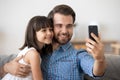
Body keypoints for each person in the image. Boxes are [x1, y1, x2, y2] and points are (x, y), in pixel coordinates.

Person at [0, 4, 106, 80]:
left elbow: (97, 71)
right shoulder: (35, 52)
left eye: (69, 26)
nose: (64, 31)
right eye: (59, 25)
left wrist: (100, 59)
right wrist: (6, 68)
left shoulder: (78, 55)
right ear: (50, 26)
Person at [1, 16, 53, 80]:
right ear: (33, 34)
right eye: (44, 30)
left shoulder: (30, 51)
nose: (49, 33)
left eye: (51, 29)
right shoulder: (33, 54)